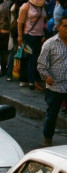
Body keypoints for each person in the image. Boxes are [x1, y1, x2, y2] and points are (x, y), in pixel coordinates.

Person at [37, 15, 67, 147]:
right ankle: (47, 138)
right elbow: (41, 65)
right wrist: (46, 77)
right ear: (58, 27)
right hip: (55, 86)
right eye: (65, 26)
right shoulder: (50, 43)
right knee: (52, 114)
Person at [18, 0, 48, 91]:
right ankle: (32, 81)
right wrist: (20, 37)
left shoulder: (42, 6)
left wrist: (43, 34)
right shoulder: (26, 6)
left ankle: (32, 80)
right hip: (28, 36)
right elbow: (20, 22)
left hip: (39, 36)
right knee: (32, 58)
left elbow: (43, 21)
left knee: (36, 58)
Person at [0, 0, 15, 78]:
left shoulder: (1, 5)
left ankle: (3, 70)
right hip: (8, 32)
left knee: (2, 52)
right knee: (9, 52)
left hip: (0, 31)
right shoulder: (12, 5)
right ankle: (8, 71)